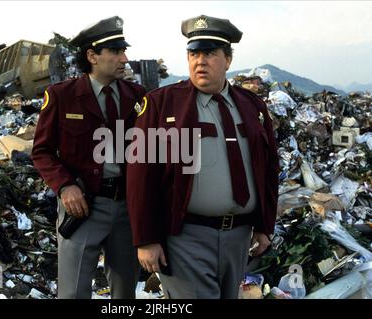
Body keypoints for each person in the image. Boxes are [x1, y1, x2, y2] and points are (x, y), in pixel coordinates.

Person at [126, 15, 279, 299]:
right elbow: (140, 175)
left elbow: (269, 168)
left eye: (209, 53)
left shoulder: (251, 105)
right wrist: (146, 238)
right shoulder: (162, 104)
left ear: (228, 60)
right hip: (186, 237)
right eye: (193, 53)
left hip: (239, 237)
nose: (200, 61)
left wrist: (264, 226)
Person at [32, 16, 146, 299]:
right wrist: (64, 186)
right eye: (116, 51)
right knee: (73, 293)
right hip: (83, 207)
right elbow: (42, 151)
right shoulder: (62, 96)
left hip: (127, 210)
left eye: (124, 50)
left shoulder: (138, 96)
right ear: (92, 56)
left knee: (125, 293)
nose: (125, 58)